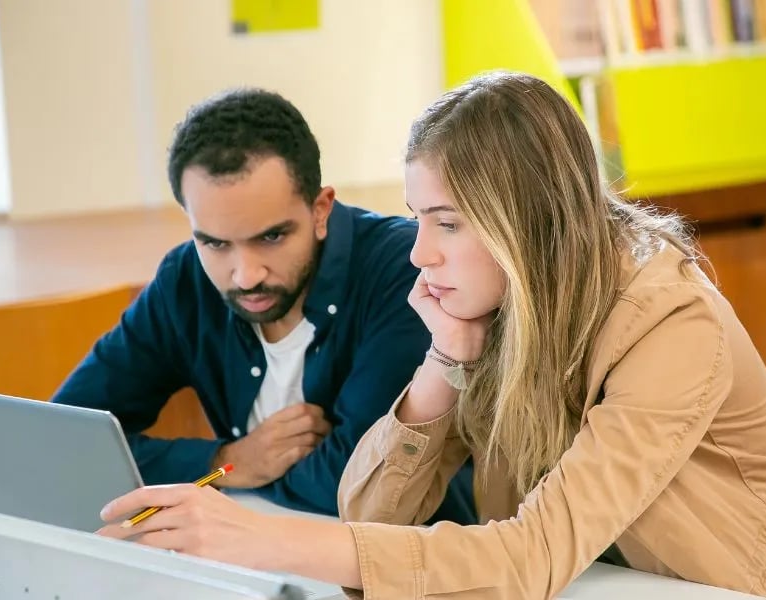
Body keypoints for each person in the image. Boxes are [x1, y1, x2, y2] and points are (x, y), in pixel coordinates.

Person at [97, 72, 766, 599]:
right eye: (420, 219)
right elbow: (373, 512)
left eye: (447, 222)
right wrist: (446, 361)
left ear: (525, 223)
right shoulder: (490, 310)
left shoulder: (669, 321)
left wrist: (274, 538)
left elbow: (529, 558)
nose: (419, 253)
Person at [54, 88, 475, 524]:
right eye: (215, 242)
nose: (246, 275)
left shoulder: (403, 269)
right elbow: (67, 436)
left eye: (271, 237)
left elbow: (358, 486)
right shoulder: (185, 279)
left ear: (320, 209)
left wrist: (237, 476)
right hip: (255, 554)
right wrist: (228, 461)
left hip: (408, 565)